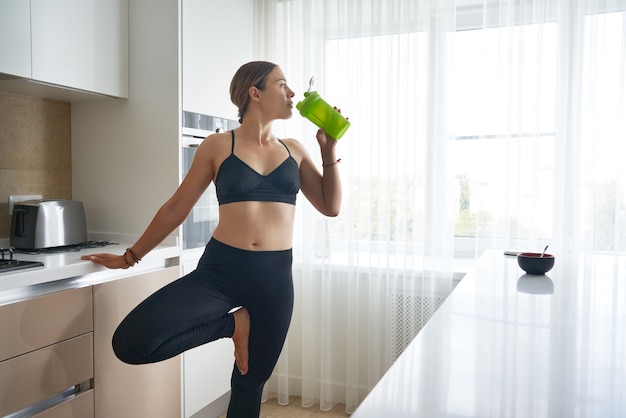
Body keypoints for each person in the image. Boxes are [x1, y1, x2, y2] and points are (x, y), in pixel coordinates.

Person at [81, 61, 343, 417]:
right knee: (131, 343)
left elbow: (330, 206)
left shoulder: (294, 149)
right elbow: (176, 209)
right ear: (255, 92)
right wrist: (130, 257)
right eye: (282, 85)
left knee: (250, 383)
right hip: (220, 272)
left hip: (274, 279)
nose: (293, 93)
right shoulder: (218, 145)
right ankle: (235, 325)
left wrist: (329, 149)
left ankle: (239, 332)